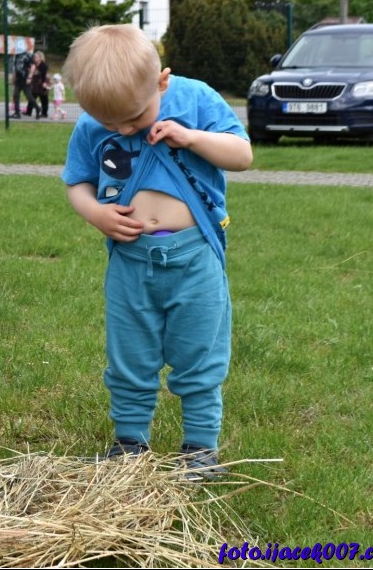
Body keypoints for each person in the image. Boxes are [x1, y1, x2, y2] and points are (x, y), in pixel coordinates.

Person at [60, 24, 252, 478]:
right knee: (129, 356)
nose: (123, 129)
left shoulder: (196, 98)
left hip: (195, 257)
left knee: (200, 354)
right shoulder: (94, 122)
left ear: (161, 82)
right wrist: (96, 213)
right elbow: (77, 181)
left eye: (133, 117)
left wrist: (192, 138)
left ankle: (200, 449)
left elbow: (242, 154)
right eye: (111, 124)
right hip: (131, 261)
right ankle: (129, 445)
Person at [10, 48, 37, 119]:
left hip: (25, 78)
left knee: (28, 95)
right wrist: (14, 78)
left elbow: (33, 66)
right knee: (15, 95)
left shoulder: (27, 55)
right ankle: (17, 112)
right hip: (18, 79)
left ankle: (37, 108)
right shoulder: (16, 56)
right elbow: (16, 68)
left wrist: (29, 77)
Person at [26, 50, 50, 119]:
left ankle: (44, 113)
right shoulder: (34, 65)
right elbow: (31, 72)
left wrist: (44, 83)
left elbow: (44, 75)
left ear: (40, 58)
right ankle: (28, 111)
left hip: (42, 83)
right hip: (35, 85)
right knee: (32, 97)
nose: (34, 58)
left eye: (36, 57)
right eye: (34, 57)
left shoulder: (43, 65)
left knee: (44, 99)